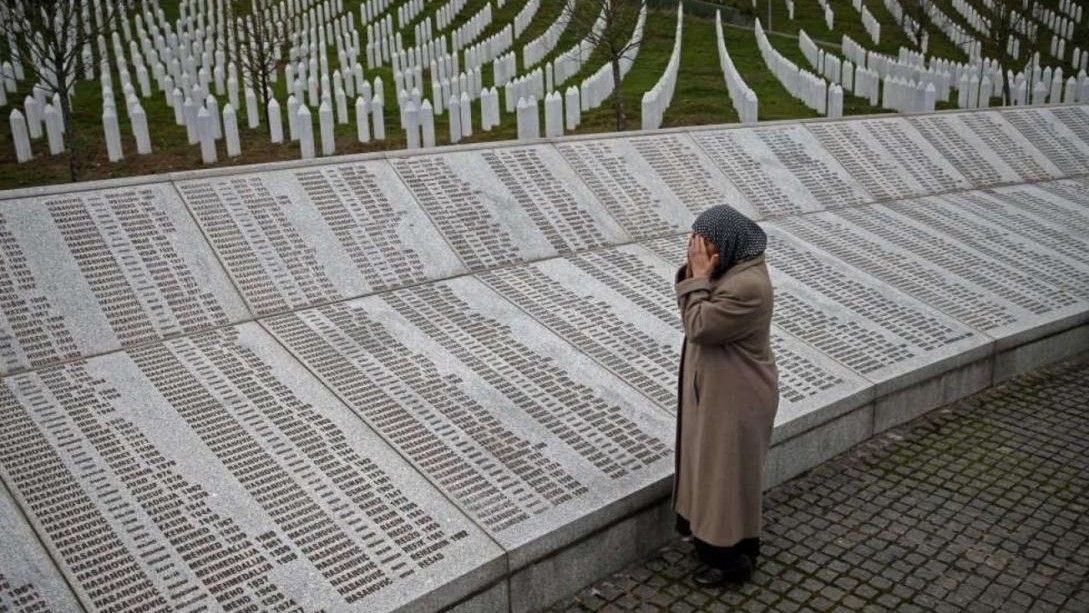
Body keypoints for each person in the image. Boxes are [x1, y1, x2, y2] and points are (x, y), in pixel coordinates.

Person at [672, 204, 779, 587]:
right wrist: (697, 274)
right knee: (718, 475)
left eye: (706, 244)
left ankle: (731, 561)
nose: (698, 251)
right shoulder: (734, 270)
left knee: (726, 479)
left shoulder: (746, 287)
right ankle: (728, 545)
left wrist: (698, 277)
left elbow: (698, 325)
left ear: (729, 244)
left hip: (737, 399)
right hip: (722, 393)